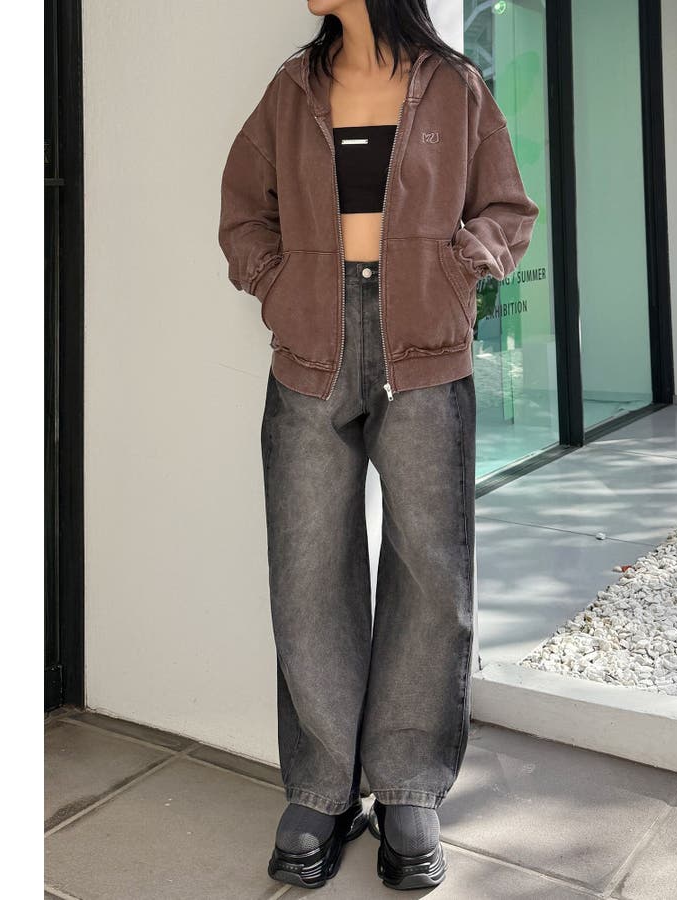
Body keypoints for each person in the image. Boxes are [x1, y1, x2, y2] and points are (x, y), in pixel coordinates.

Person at [218, 0, 539, 890]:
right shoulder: (294, 88)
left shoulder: (454, 86)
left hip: (425, 350)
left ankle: (407, 786)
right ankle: (321, 790)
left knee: (430, 566)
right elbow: (244, 210)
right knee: (308, 564)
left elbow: (507, 206)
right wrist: (279, 285)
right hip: (311, 351)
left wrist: (459, 267)